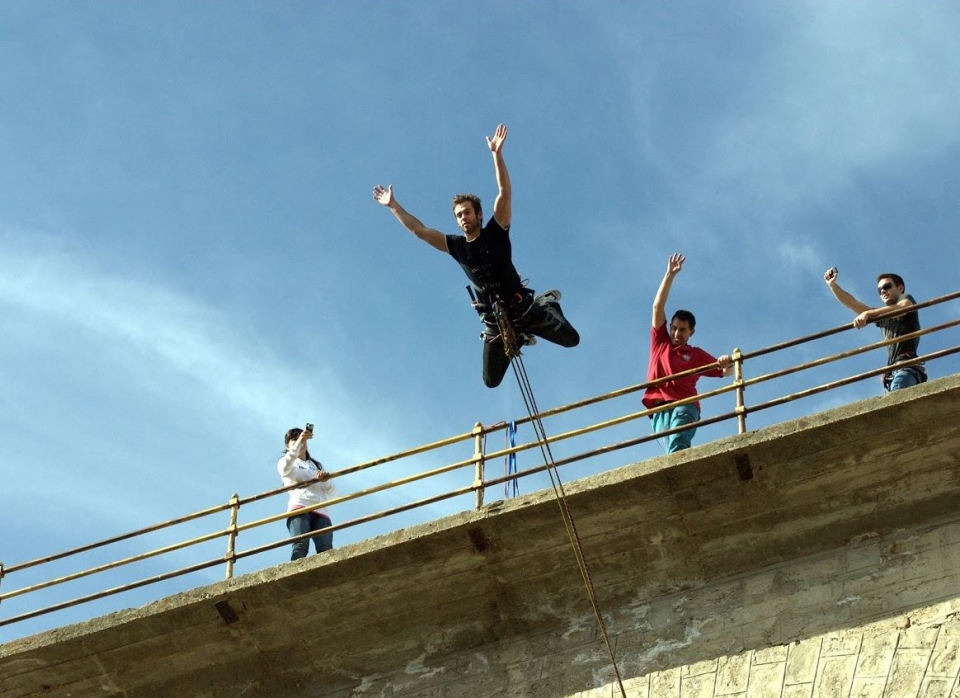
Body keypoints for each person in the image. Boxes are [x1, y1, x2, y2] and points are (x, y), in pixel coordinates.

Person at [372, 123, 579, 388]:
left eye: (467, 212)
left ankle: (547, 305)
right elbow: (419, 230)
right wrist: (393, 206)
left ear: (478, 214)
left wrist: (497, 155)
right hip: (497, 321)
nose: (463, 218)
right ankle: (516, 337)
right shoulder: (456, 246)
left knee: (571, 339)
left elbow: (505, 193)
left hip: (524, 308)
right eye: (459, 215)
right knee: (490, 381)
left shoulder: (496, 230)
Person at [642, 253, 732, 452]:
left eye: (682, 330)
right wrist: (669, 275)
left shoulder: (695, 354)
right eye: (674, 328)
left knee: (678, 442)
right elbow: (657, 307)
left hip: (685, 404)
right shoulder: (660, 342)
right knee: (671, 452)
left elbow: (725, 372)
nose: (676, 333)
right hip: (659, 408)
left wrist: (727, 363)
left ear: (691, 332)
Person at [823, 267, 926, 391]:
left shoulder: (906, 298)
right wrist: (832, 285)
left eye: (887, 286)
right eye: (879, 290)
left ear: (900, 288)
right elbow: (852, 303)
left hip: (907, 368)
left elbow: (902, 308)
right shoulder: (882, 318)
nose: (883, 291)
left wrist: (868, 313)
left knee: (897, 391)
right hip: (893, 372)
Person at [277, 426, 336, 560]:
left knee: (326, 550)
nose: (301, 441)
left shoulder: (317, 465)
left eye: (302, 439)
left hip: (321, 511)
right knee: (300, 546)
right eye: (295, 439)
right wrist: (299, 442)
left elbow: (333, 492)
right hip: (300, 508)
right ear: (287, 446)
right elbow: (285, 468)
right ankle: (295, 574)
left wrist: (325, 480)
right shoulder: (285, 462)